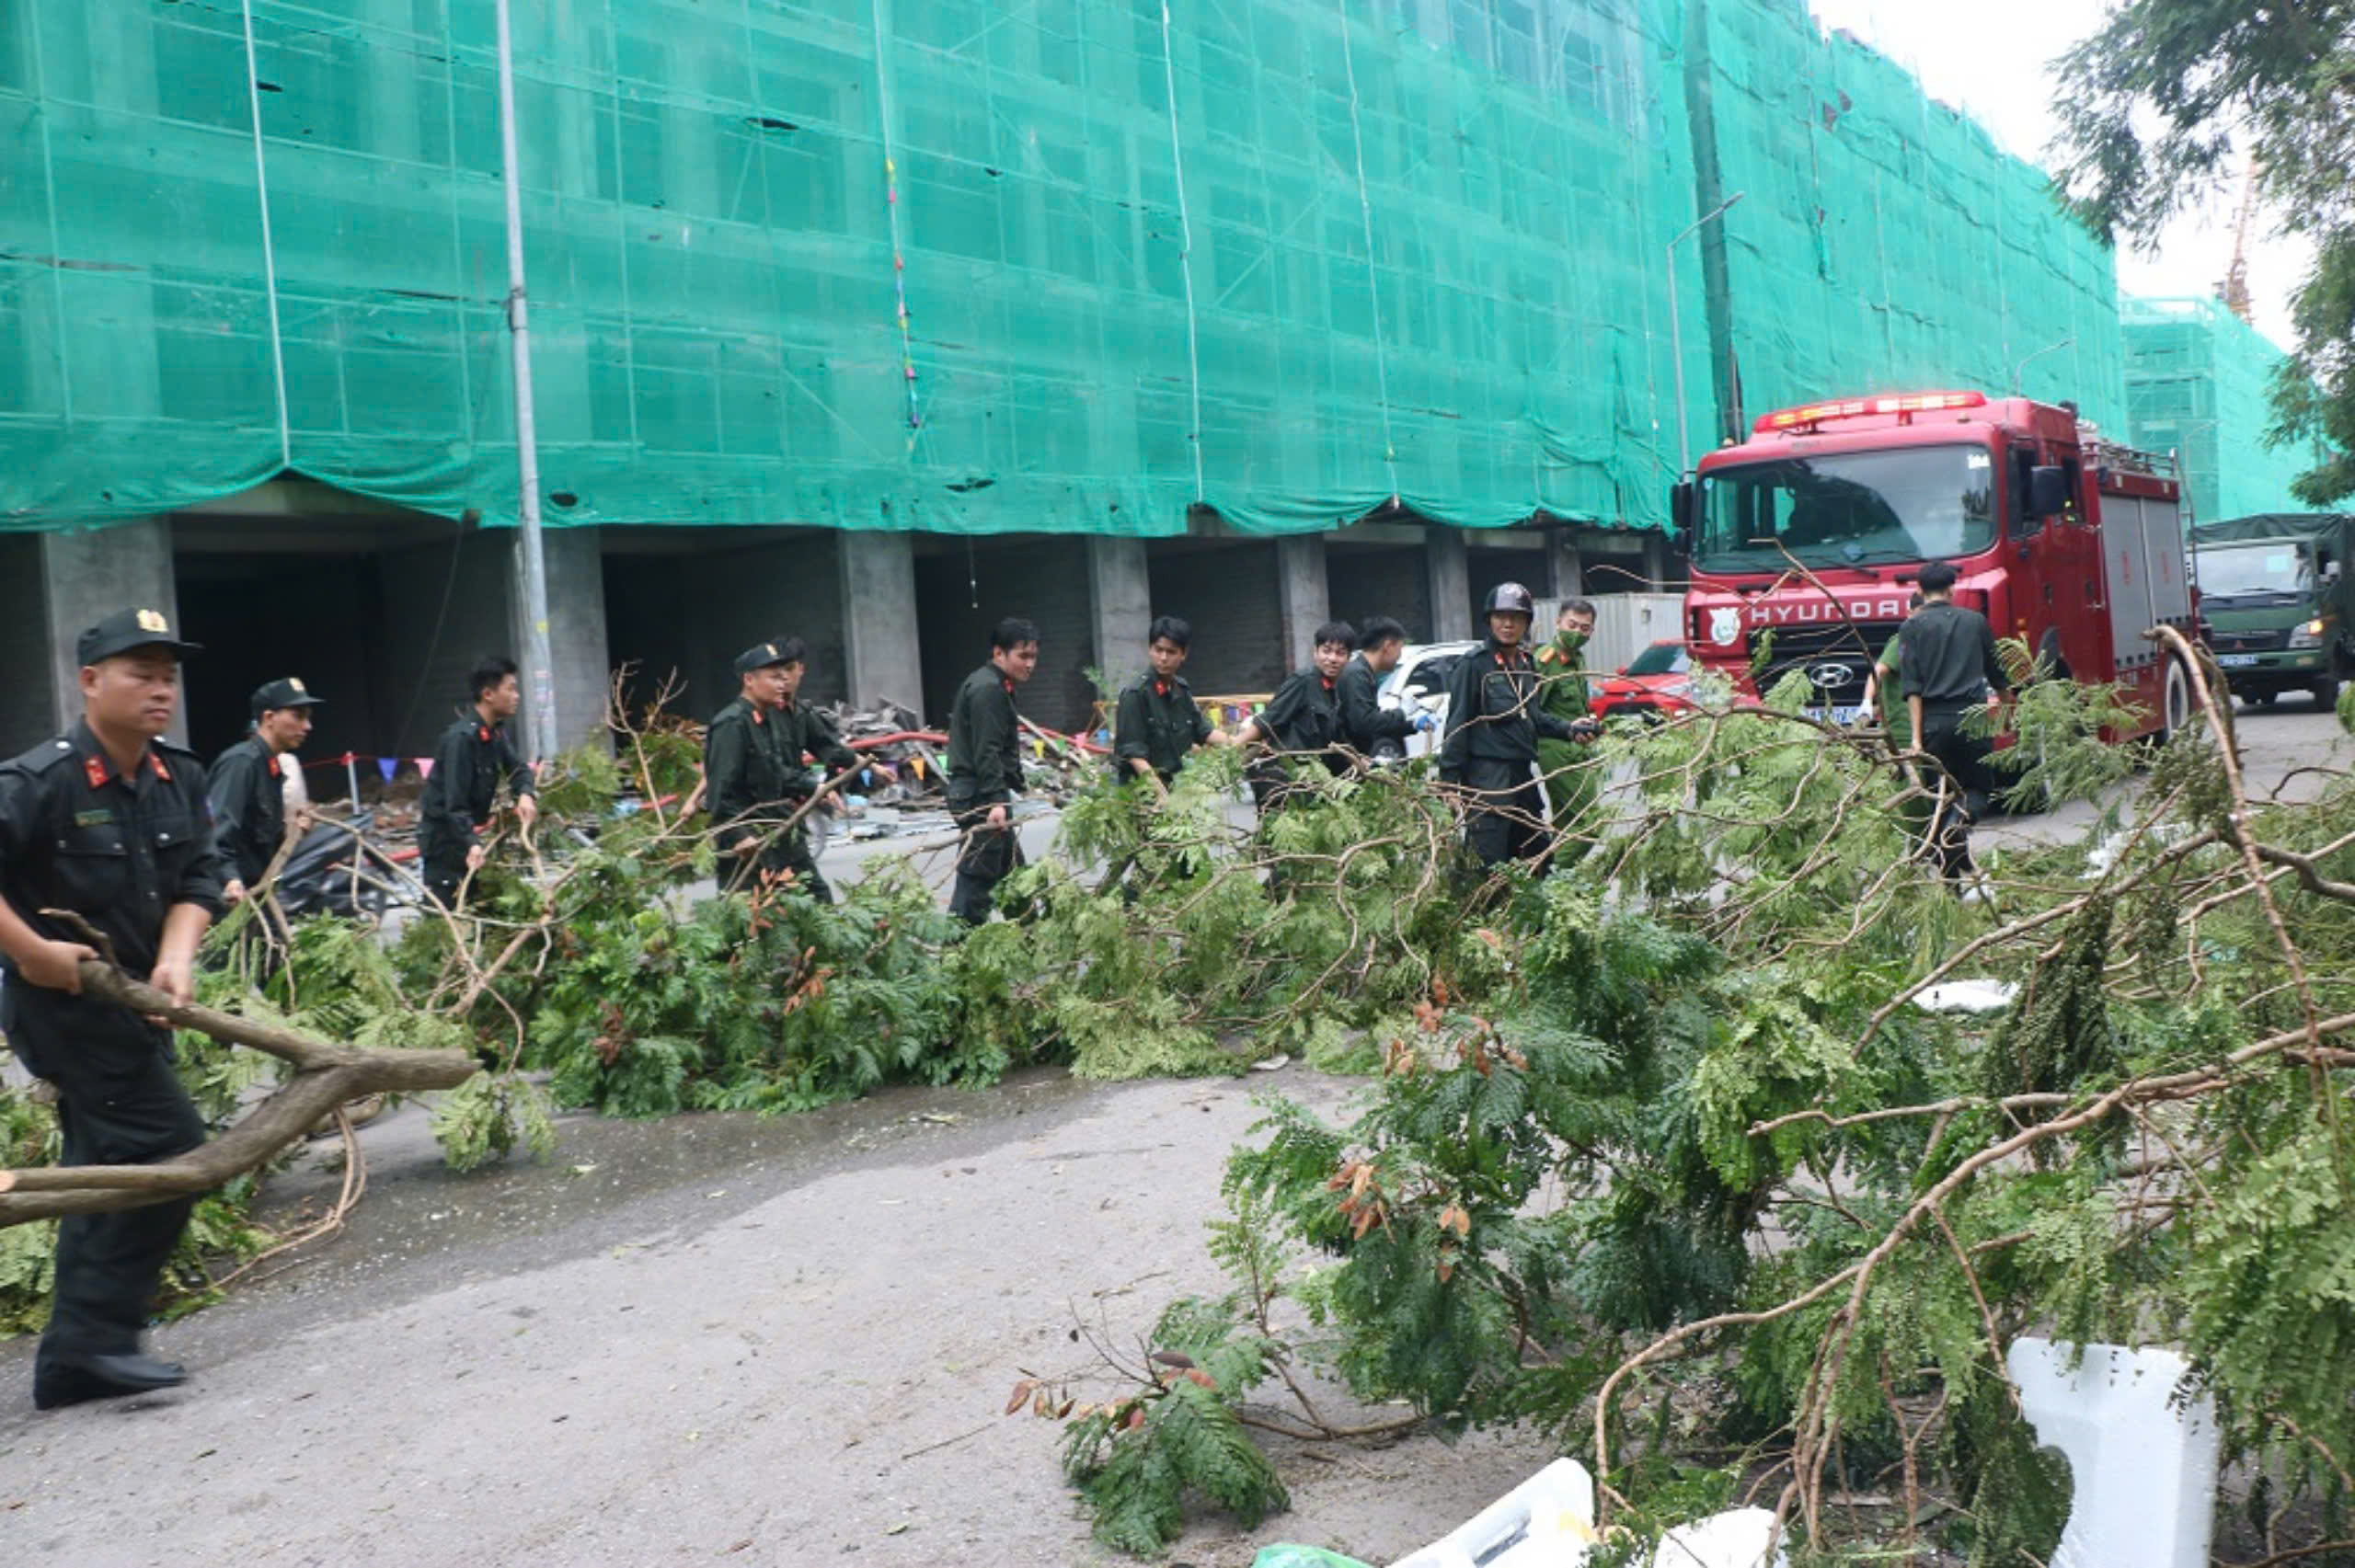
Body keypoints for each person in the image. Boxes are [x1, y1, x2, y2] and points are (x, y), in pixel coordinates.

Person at [0, 607, 226, 1409]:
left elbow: (202, 877)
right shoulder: (40, 782)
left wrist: (175, 957)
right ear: (90, 681)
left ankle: (73, 1361)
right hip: (59, 1007)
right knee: (169, 1148)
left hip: (132, 1000)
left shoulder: (180, 775)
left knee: (107, 1164)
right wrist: (31, 950)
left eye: (168, 674)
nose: (160, 687)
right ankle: (96, 1341)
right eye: (141, 672)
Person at [704, 637, 867, 901]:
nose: (782, 685)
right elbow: (720, 792)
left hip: (782, 830)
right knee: (750, 921)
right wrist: (739, 835)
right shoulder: (732, 725)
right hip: (750, 840)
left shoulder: (766, 721)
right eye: (774, 678)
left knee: (817, 902)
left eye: (784, 677)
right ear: (749, 680)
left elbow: (776, 772)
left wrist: (814, 787)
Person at [1441, 583, 1584, 873]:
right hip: (1488, 781)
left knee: (1538, 860)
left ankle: (1529, 918)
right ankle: (1483, 916)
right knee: (1488, 865)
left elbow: (1534, 717)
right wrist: (1449, 781)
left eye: (1516, 618)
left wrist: (1570, 728)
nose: (1508, 624)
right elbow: (1457, 723)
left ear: (1526, 623)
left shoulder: (1526, 664)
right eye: (1500, 617)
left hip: (1522, 779)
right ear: (1489, 620)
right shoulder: (1474, 665)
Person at [1898, 562, 2012, 882]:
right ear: (1952, 589)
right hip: (1972, 720)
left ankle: (1952, 886)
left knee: (1940, 798)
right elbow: (1999, 677)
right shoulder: (1976, 622)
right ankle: (1956, 830)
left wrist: (1917, 739)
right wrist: (2006, 716)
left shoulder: (1911, 628)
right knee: (1977, 789)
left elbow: (1912, 689)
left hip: (1934, 725)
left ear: (1920, 591)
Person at [418, 656, 539, 909]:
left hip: (469, 843)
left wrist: (525, 794)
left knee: (482, 914)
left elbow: (518, 769)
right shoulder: (461, 740)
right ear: (488, 694)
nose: (517, 696)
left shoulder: (495, 734)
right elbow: (455, 805)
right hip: (446, 847)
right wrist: (471, 843)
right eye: (511, 689)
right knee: (446, 921)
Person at [946, 618, 1039, 924]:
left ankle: (1033, 942)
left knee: (1014, 875)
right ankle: (957, 955)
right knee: (975, 886)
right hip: (981, 800)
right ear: (999, 653)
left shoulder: (997, 685)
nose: (1030, 664)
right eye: (1022, 656)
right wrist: (996, 802)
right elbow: (987, 751)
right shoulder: (988, 690)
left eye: (1033, 656)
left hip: (984, 795)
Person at [209, 677, 324, 902]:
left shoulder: (271, 766)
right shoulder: (241, 763)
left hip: (260, 895)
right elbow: (215, 834)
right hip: (234, 902)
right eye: (298, 716)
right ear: (269, 718)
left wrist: (296, 831)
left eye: (308, 718)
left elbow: (262, 841)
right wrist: (230, 880)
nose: (307, 726)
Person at [1237, 622, 1354, 810]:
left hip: (1308, 783)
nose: (1332, 658)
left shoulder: (1333, 693)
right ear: (1315, 652)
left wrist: (1360, 760)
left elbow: (1335, 740)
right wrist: (1234, 746)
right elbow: (1269, 720)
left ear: (1348, 658)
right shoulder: (1303, 681)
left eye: (1340, 653)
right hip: (1283, 782)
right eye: (1326, 651)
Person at [1112, 616, 1235, 795]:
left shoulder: (1181, 690)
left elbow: (1203, 732)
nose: (1163, 658)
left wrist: (1242, 743)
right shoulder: (1135, 695)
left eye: (1171, 652)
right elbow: (1134, 755)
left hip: (1176, 789)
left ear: (1183, 654)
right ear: (1150, 650)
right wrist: (1162, 796)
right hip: (1142, 795)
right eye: (1158, 650)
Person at [1533, 599, 1604, 859]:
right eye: (1571, 625)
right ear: (1558, 622)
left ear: (1591, 632)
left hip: (1577, 749)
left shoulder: (1578, 659)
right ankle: (1554, 877)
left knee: (1566, 825)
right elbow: (1532, 712)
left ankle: (1554, 885)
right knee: (1591, 823)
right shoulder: (1546, 661)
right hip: (1556, 751)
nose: (1577, 633)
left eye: (1584, 628)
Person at [1337, 616, 1430, 760]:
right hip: (1346, 763)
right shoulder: (1356, 674)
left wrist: (1413, 725)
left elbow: (1375, 724)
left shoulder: (1364, 673)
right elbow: (1365, 723)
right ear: (1388, 647)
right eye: (1400, 649)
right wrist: (1402, 711)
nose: (1400, 656)